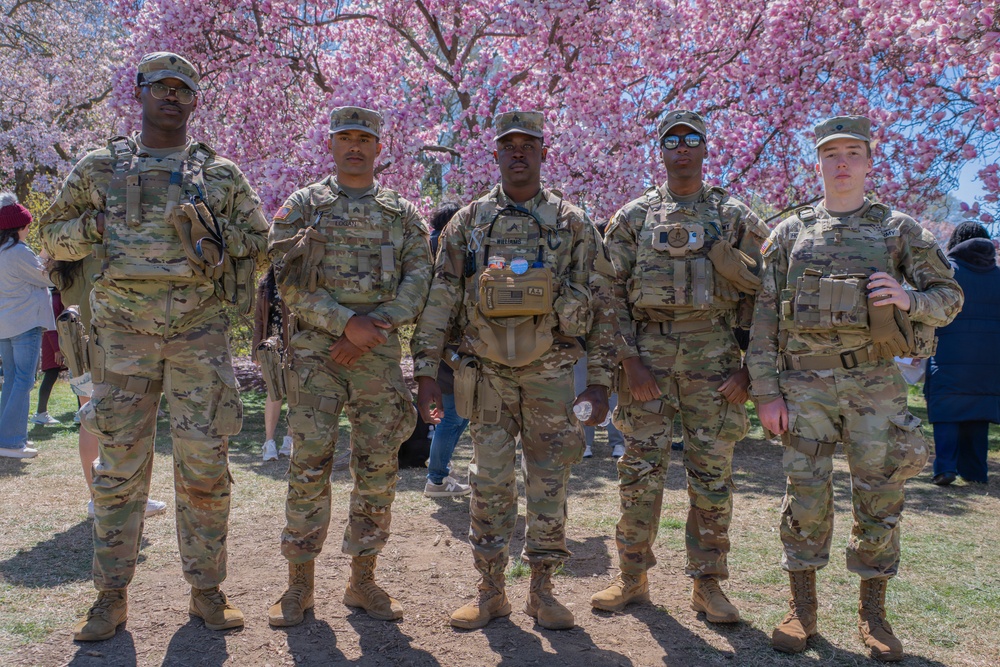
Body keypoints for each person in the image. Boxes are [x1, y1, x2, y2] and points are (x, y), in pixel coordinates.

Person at [40, 52, 269, 641]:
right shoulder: (99, 167)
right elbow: (53, 236)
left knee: (206, 468)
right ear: (139, 92)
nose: (171, 96)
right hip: (123, 337)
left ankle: (207, 591)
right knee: (119, 468)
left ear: (194, 101)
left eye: (182, 89)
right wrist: (99, 224)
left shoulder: (220, 175)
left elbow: (260, 242)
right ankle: (110, 598)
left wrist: (211, 232)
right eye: (160, 87)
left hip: (199, 336)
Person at [748, 115, 962, 661]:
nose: (841, 163)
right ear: (818, 163)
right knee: (805, 494)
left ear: (869, 162)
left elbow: (950, 298)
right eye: (830, 154)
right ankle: (801, 609)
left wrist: (910, 298)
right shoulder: (789, 233)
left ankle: (874, 615)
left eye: (852, 153)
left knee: (880, 493)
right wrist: (766, 392)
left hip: (875, 385)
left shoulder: (898, 230)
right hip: (804, 387)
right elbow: (765, 318)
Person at [412, 110, 617, 631]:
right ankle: (491, 592)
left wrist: (600, 381)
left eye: (528, 144)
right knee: (489, 481)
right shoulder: (469, 223)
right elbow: (441, 298)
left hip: (551, 375)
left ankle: (543, 592)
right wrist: (426, 370)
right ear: (496, 154)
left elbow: (603, 304)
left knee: (549, 481)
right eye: (509, 145)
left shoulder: (572, 223)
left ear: (544, 152)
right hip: (488, 377)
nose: (518, 153)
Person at [591, 110, 769, 624]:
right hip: (646, 361)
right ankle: (632, 576)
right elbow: (608, 293)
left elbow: (766, 293)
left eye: (691, 139)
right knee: (639, 473)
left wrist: (750, 372)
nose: (682, 147)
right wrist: (630, 361)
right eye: (672, 140)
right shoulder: (634, 217)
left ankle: (707, 584)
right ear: (661, 151)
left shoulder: (733, 216)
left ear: (706, 148)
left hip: (716, 363)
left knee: (712, 476)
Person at [266, 106, 432, 627]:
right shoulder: (303, 207)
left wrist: (371, 327)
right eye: (346, 138)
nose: (355, 146)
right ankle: (299, 585)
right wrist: (344, 323)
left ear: (379, 148)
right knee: (309, 464)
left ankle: (363, 580)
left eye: (365, 138)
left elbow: (419, 280)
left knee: (378, 467)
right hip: (316, 356)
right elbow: (286, 277)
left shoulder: (402, 213)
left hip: (377, 357)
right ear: (331, 144)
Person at [50, 258, 167, 518]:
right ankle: (128, 494)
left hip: (76, 344)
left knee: (89, 420)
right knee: (126, 421)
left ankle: (97, 497)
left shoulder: (64, 258)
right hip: (107, 347)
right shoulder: (100, 253)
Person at [925, 221, 999, 486]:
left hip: (948, 353)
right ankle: (975, 471)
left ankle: (945, 467)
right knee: (979, 410)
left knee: (947, 408)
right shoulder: (998, 276)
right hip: (990, 359)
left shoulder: (948, 273)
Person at [0, 192, 54, 459]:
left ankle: (8, 437)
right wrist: (51, 255)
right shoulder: (19, 252)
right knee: (23, 380)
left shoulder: (3, 251)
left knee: (12, 380)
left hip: (6, 324)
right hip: (24, 323)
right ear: (19, 227)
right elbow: (47, 278)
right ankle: (11, 441)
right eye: (27, 225)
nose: (28, 229)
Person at [423, 203, 472, 498]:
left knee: (458, 412)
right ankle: (437, 478)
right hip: (450, 343)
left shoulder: (428, 246)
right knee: (453, 413)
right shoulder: (446, 247)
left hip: (438, 340)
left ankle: (440, 472)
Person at [252, 267, 293, 461]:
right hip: (272, 345)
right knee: (274, 391)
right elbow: (259, 320)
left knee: (294, 390)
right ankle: (269, 442)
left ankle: (289, 440)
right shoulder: (265, 284)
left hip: (295, 343)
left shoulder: (297, 277)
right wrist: (256, 350)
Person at [32, 287, 66, 426]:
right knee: (51, 374)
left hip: (61, 343)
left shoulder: (61, 298)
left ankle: (80, 410)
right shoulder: (54, 299)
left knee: (76, 375)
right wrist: (57, 350)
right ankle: (40, 413)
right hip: (53, 344)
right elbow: (50, 327)